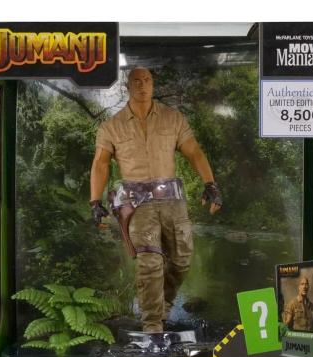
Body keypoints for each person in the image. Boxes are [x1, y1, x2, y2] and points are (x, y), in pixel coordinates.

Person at [89, 67, 221, 333]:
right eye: (137, 81)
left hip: (173, 202)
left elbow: (193, 151)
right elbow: (100, 164)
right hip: (137, 205)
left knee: (182, 260)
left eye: (148, 80)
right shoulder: (111, 126)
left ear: (153, 84)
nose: (143, 85)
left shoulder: (173, 118)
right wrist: (95, 201)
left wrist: (210, 184)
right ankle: (152, 327)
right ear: (128, 87)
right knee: (149, 263)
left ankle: (163, 308)